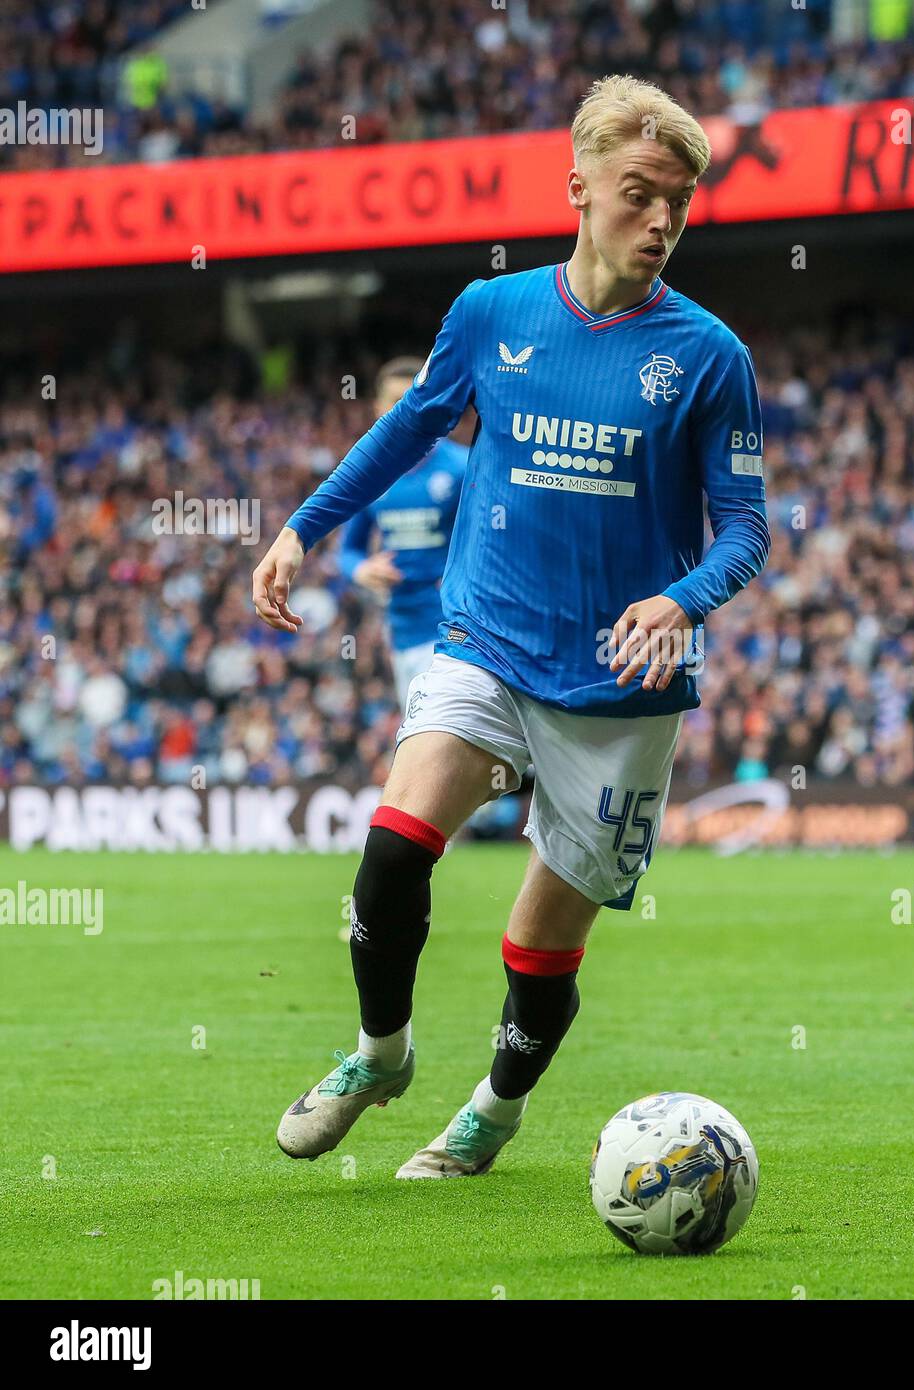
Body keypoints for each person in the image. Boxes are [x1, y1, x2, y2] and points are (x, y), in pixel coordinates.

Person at [251, 74, 769, 1180]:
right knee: (394, 849)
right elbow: (407, 428)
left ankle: (492, 1108)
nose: (662, 222)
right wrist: (305, 525)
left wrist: (682, 599)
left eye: (679, 201)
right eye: (639, 193)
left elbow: (747, 530)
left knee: (540, 943)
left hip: (620, 689)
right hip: (487, 635)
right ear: (576, 186)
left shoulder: (711, 356)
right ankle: (377, 1054)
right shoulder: (493, 312)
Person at [337, 360, 473, 704]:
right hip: (401, 633)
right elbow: (347, 550)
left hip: (454, 631)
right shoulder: (371, 473)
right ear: (378, 408)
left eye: (411, 397)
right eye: (394, 400)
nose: (405, 408)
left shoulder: (462, 466)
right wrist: (362, 569)